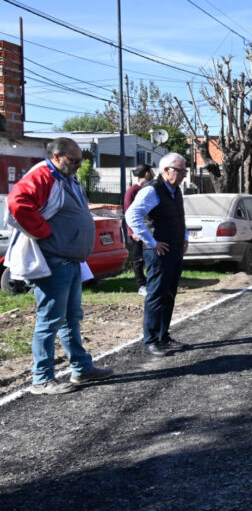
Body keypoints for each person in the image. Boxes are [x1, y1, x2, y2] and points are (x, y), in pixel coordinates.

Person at [7, 137, 113, 394]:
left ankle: (82, 369)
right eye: (74, 160)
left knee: (71, 318)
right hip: (55, 261)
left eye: (80, 160)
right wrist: (43, 233)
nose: (78, 164)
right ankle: (42, 378)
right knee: (50, 320)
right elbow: (16, 204)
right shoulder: (43, 176)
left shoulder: (67, 176)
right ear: (57, 156)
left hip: (70, 260)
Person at [125, 153, 189, 357]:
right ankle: (151, 339)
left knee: (169, 294)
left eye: (184, 171)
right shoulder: (152, 190)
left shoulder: (175, 191)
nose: (183, 175)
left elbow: (180, 216)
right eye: (180, 170)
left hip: (175, 248)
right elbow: (131, 215)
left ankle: (163, 336)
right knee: (156, 295)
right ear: (166, 170)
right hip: (159, 251)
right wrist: (151, 242)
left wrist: (185, 236)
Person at [123, 164, 155, 296]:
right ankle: (141, 285)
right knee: (138, 259)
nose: (153, 173)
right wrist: (132, 232)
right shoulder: (133, 190)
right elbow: (128, 212)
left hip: (148, 230)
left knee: (149, 258)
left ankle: (151, 283)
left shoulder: (149, 189)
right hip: (137, 232)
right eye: (151, 171)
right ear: (147, 173)